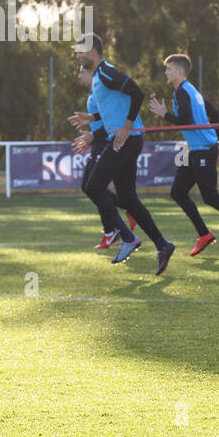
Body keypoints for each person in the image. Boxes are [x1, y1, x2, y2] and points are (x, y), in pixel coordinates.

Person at [68, 34, 175, 275]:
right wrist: (92, 119)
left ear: (93, 51)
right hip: (126, 139)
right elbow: (114, 111)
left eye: (80, 52)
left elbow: (137, 93)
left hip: (126, 139)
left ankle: (127, 237)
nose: (77, 56)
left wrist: (127, 126)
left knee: (93, 186)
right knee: (127, 198)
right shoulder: (98, 78)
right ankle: (163, 244)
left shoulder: (106, 73)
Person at [148, 54, 219, 255]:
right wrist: (216, 141)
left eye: (168, 69)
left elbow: (186, 120)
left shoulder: (181, 93)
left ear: (179, 71)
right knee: (177, 192)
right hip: (199, 149)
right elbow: (214, 113)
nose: (166, 73)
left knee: (210, 196)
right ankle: (204, 234)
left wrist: (165, 114)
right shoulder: (192, 90)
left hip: (203, 150)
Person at [70, 64, 128, 251]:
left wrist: (95, 136)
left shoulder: (99, 93)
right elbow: (100, 120)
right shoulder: (93, 94)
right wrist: (91, 138)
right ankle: (119, 218)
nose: (78, 75)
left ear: (90, 73)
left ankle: (113, 229)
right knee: (90, 186)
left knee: (92, 187)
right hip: (98, 143)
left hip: (104, 143)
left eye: (81, 71)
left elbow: (110, 121)